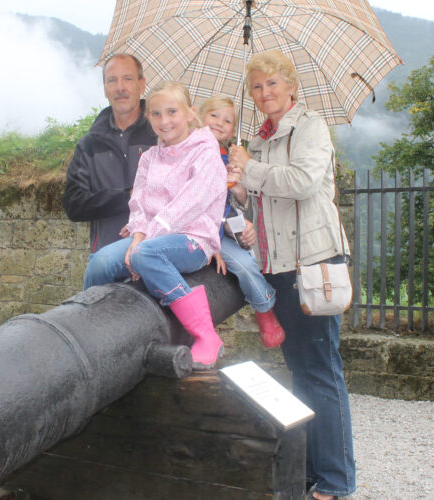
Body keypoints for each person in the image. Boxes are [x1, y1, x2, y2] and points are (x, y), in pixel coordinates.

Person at [227, 49, 355, 500]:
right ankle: (311, 468)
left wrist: (252, 169)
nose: (265, 93)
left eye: (273, 84)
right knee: (300, 373)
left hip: (314, 263)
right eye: (257, 87)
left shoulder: (310, 127)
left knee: (321, 371)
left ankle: (337, 480)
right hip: (277, 268)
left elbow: (300, 182)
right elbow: (260, 206)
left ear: (291, 86)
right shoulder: (259, 140)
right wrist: (240, 188)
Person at [83, 81, 227, 370]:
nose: (165, 121)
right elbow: (138, 202)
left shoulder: (205, 152)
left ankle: (207, 335)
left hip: (192, 238)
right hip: (149, 237)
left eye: (172, 112)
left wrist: (144, 243)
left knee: (146, 255)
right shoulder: (149, 158)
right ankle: (92, 329)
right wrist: (137, 236)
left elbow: (191, 202)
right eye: (157, 114)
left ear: (190, 114)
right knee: (99, 262)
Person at [198, 95, 285, 349]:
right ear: (199, 118)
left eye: (227, 120)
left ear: (233, 131)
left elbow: (240, 201)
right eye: (213, 115)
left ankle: (264, 307)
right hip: (196, 229)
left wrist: (236, 186)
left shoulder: (230, 159)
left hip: (221, 226)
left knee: (246, 265)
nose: (219, 122)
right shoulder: (188, 151)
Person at [63, 54, 158, 253]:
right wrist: (126, 198)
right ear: (105, 88)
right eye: (112, 80)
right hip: (106, 257)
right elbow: (74, 205)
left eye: (128, 79)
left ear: (142, 84)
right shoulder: (89, 146)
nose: (120, 87)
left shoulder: (161, 135)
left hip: (156, 250)